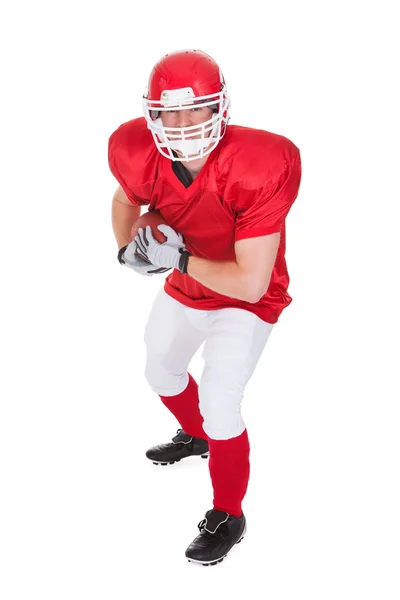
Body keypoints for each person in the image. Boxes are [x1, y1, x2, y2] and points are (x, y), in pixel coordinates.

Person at [109, 49, 302, 566]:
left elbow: (248, 281)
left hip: (249, 301)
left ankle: (228, 513)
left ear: (220, 108)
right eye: (169, 111)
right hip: (186, 286)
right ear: (152, 113)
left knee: (221, 400)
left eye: (195, 109)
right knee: (160, 371)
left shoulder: (261, 162)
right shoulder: (134, 149)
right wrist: (133, 248)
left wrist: (178, 258)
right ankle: (195, 437)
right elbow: (127, 201)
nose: (181, 122)